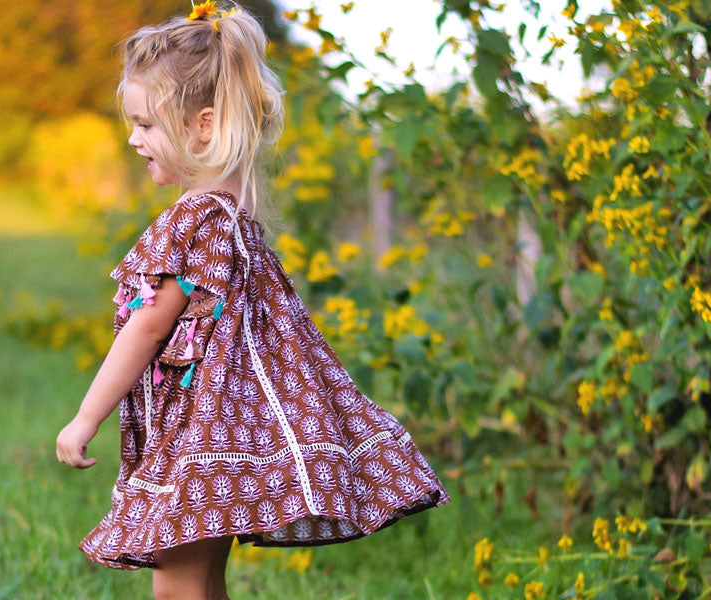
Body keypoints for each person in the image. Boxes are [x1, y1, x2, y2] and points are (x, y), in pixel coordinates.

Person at [55, 2, 451, 598]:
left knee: (176, 590)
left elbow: (145, 328)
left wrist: (86, 418)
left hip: (199, 442)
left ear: (205, 125)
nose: (134, 139)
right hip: (223, 435)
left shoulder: (192, 223)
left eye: (145, 124)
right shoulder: (238, 223)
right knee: (200, 582)